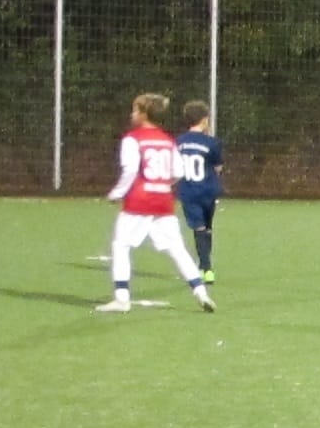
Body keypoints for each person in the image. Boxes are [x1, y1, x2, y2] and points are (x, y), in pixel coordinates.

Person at [96, 93, 216, 314]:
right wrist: (161, 184)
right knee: (177, 248)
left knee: (121, 245)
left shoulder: (132, 139)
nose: (132, 114)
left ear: (144, 114)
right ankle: (201, 293)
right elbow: (178, 172)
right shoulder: (167, 140)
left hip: (139, 201)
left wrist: (117, 193)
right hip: (163, 201)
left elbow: (130, 170)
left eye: (135, 110)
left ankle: (122, 298)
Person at [175, 100, 224, 283]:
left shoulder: (179, 142)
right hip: (209, 190)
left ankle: (206, 267)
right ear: (204, 120)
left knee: (199, 227)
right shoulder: (212, 142)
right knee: (207, 227)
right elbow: (218, 167)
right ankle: (205, 266)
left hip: (189, 191)